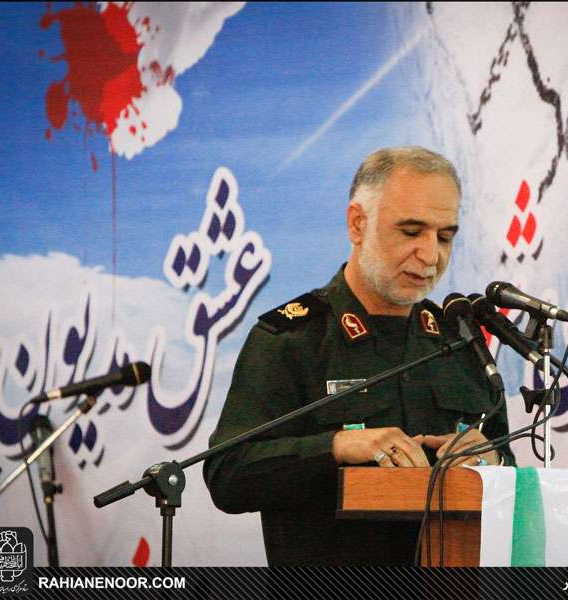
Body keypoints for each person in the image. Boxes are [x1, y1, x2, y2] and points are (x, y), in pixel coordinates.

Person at [203, 146, 513, 566]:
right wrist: (337, 447)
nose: (430, 255)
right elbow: (228, 475)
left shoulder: (461, 340)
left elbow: (507, 465)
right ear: (357, 223)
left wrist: (494, 460)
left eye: (444, 237)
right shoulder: (293, 339)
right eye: (411, 232)